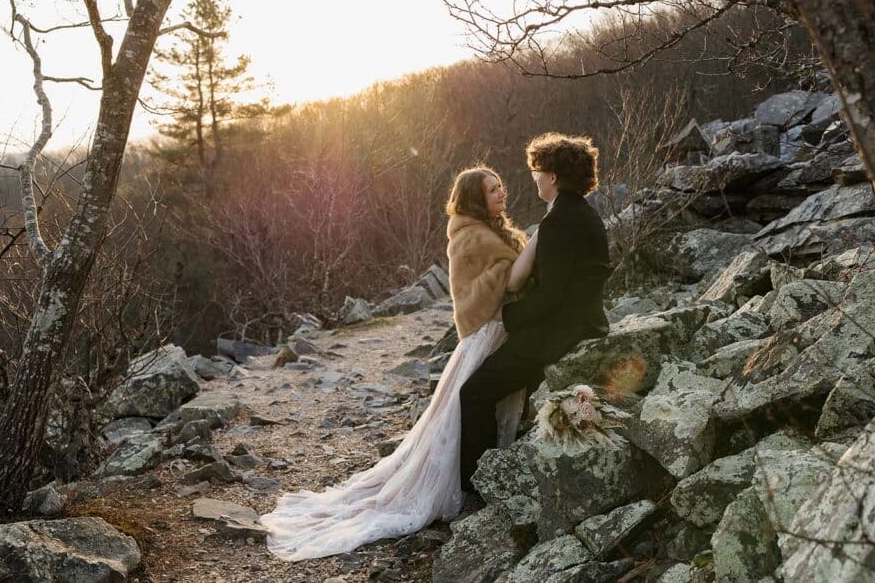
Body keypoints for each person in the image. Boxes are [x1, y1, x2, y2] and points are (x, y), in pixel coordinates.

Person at [259, 165, 537, 561]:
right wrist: (534, 248)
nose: (501, 195)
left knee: (471, 411)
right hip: (486, 335)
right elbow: (496, 285)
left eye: (501, 187)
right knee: (466, 413)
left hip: (499, 331)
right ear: (476, 198)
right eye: (492, 190)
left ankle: (483, 478)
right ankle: (471, 484)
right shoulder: (470, 236)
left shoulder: (489, 230)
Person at [459, 133, 611, 490]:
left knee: (474, 392)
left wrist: (506, 318)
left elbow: (552, 297)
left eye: (537, 170)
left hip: (558, 334)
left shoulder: (560, 220)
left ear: (553, 177)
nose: (535, 177)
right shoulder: (579, 213)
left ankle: (477, 486)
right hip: (573, 324)